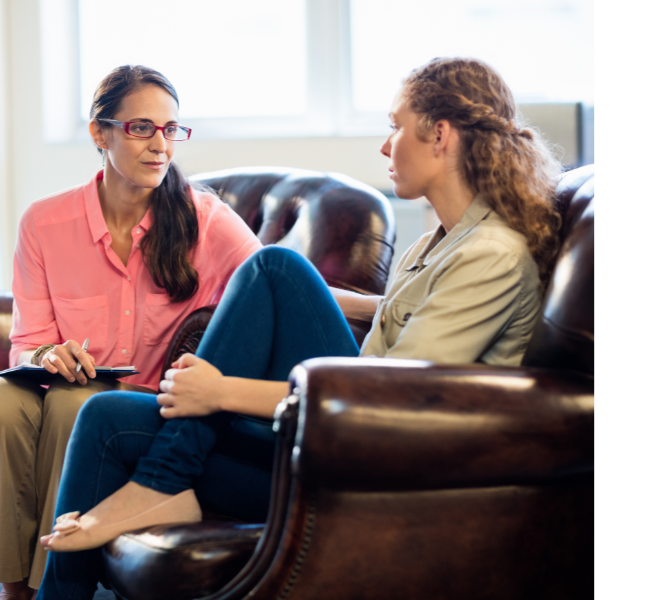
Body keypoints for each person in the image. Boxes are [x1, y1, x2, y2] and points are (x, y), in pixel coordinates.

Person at [34, 57, 563, 599]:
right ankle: (123, 526)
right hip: (328, 441)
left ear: (440, 135)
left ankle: (162, 482)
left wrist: (221, 392)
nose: (386, 146)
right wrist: (295, 300)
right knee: (106, 413)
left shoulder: (491, 255)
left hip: (375, 476)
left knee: (275, 266)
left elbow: (386, 399)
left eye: (395, 126)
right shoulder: (437, 244)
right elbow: (396, 323)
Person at [0, 65, 262, 600]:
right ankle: (14, 586)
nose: (160, 145)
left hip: (140, 404)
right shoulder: (44, 222)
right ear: (99, 133)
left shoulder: (206, 220)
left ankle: (52, 582)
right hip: (54, 385)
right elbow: (27, 341)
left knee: (73, 407)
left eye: (171, 129)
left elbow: (273, 286)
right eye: (141, 128)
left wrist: (374, 305)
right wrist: (48, 354)